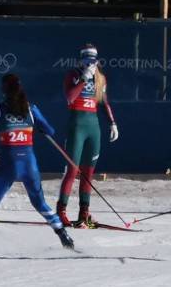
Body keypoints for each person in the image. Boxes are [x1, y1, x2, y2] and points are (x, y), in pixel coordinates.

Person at [0, 74, 74, 253]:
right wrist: (41, 128)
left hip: (7, 164)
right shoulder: (31, 109)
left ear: (3, 90)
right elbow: (50, 130)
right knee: (40, 204)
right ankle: (64, 237)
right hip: (29, 164)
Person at [56, 44, 118, 227]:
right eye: (87, 61)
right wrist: (83, 78)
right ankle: (61, 211)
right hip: (77, 125)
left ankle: (84, 212)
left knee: (88, 172)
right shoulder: (73, 74)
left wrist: (112, 123)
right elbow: (70, 97)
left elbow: (104, 101)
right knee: (72, 170)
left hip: (93, 126)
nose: (90, 64)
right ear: (81, 60)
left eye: (93, 61)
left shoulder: (101, 78)